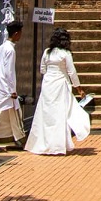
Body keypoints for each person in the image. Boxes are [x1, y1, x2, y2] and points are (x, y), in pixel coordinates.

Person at [26, 27, 91, 155]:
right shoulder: (65, 53)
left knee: (46, 114)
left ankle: (44, 143)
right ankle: (58, 144)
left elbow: (42, 69)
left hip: (48, 84)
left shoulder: (47, 52)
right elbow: (72, 72)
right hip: (61, 84)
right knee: (60, 114)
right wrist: (79, 88)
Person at [0, 21, 25, 151]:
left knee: (6, 115)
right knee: (13, 114)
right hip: (7, 88)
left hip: (2, 86)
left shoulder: (3, 47)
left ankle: (15, 139)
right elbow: (9, 71)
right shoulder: (10, 50)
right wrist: (12, 90)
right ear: (16, 34)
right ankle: (18, 138)